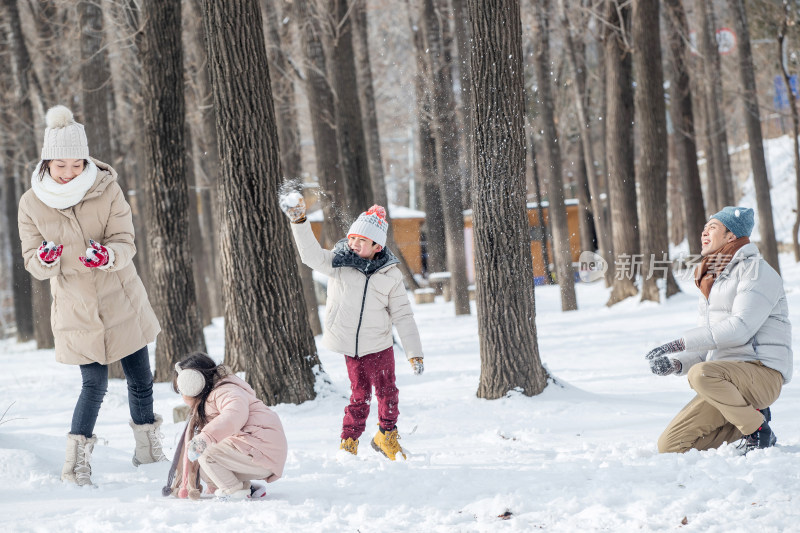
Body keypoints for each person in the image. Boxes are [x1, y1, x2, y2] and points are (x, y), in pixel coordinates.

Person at [17, 106, 165, 486]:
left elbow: (125, 241)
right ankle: (76, 464)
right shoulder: (32, 202)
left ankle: (148, 451)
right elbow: (32, 258)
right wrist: (45, 259)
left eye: (75, 164)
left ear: (85, 160)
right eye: (60, 165)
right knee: (94, 385)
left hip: (120, 298)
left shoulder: (107, 189)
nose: (68, 173)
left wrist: (109, 255)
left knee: (141, 378)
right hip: (77, 308)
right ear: (47, 161)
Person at [280, 196, 424, 460]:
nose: (355, 244)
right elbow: (311, 256)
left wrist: (414, 352)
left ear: (376, 245)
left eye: (362, 240)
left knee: (388, 393)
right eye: (352, 238)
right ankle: (349, 441)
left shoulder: (391, 275)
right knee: (360, 396)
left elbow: (403, 315)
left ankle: (386, 435)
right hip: (352, 346)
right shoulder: (339, 262)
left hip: (379, 343)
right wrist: (300, 221)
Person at [645, 206, 792, 454]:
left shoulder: (757, 272)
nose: (704, 232)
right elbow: (709, 341)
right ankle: (753, 417)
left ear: (731, 236)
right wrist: (677, 363)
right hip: (724, 380)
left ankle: (758, 431)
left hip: (762, 373)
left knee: (701, 374)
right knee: (670, 446)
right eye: (704, 227)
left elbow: (739, 329)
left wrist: (679, 343)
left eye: (712, 227)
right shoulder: (714, 278)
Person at [164, 353, 288, 501]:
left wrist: (206, 437)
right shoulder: (214, 396)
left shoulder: (225, 391)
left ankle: (233, 490)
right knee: (202, 464)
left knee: (206, 453)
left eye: (181, 389)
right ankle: (244, 488)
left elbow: (234, 414)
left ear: (193, 384)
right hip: (253, 450)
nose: (183, 396)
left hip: (261, 451)